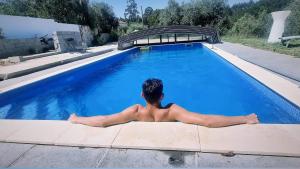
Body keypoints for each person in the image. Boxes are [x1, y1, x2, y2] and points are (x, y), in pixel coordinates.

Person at [68, 78, 259, 127]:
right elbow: (206, 121)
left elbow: (103, 121)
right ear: (162, 96)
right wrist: (244, 118)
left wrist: (77, 119)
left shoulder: (135, 111)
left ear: (142, 96)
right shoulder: (171, 111)